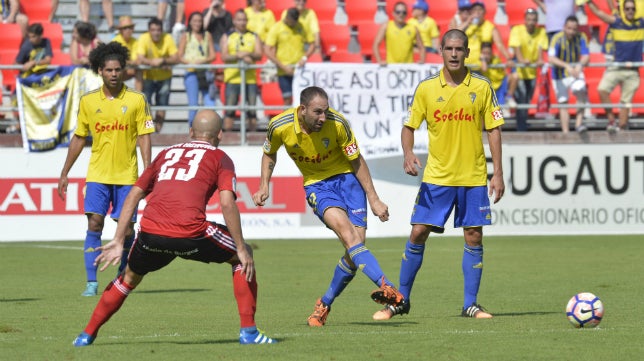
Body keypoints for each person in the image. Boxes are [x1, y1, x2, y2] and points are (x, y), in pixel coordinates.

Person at [71, 109, 276, 347]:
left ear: (191, 132)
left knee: (128, 278)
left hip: (151, 233)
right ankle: (249, 332)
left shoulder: (166, 154)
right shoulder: (221, 158)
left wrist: (118, 239)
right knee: (242, 257)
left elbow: (135, 194)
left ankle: (86, 335)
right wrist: (240, 246)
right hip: (191, 233)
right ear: (219, 134)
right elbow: (227, 202)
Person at [372, 29, 505, 321]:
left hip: (472, 177)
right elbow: (409, 127)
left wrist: (498, 174)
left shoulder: (482, 86)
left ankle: (470, 305)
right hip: (437, 177)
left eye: (460, 49)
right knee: (418, 231)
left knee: (473, 236)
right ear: (441, 51)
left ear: (467, 52)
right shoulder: (427, 88)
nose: (454, 54)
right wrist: (408, 154)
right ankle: (400, 301)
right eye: (449, 49)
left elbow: (493, 130)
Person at [252, 86, 405, 327]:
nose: (323, 117)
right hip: (318, 186)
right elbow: (269, 154)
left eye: (325, 111)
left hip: (348, 181)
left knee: (355, 250)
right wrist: (264, 186)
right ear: (302, 110)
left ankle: (323, 304)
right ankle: (387, 286)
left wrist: (374, 198)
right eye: (318, 112)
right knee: (349, 235)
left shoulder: (338, 124)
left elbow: (356, 160)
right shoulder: (279, 126)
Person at [57, 42, 154, 297]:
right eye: (109, 69)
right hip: (98, 175)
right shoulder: (88, 101)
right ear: (100, 70)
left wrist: (148, 172)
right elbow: (79, 137)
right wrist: (65, 172)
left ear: (123, 70)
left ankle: (122, 277)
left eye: (118, 69)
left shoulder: (136, 100)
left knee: (128, 229)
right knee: (95, 224)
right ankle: (91, 282)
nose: (113, 73)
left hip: (127, 176)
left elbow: (144, 136)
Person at [586, 0, 644, 132]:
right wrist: (587, 2)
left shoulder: (641, 23)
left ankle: (621, 128)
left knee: (625, 102)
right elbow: (599, 13)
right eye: (627, 9)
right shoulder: (616, 22)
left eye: (632, 9)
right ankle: (611, 120)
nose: (630, 11)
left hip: (632, 71)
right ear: (623, 10)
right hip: (616, 67)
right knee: (602, 90)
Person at [507, 7, 549, 131]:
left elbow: (541, 48)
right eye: (529, 19)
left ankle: (522, 122)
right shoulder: (517, 30)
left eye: (534, 20)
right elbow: (516, 48)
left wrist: (540, 60)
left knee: (527, 100)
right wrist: (521, 60)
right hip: (520, 70)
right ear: (525, 20)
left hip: (531, 72)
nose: (531, 22)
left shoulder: (540, 32)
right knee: (522, 98)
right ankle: (521, 127)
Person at [220, 9, 262, 131]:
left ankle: (252, 135)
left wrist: (247, 53)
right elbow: (224, 56)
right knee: (230, 109)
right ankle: (228, 136)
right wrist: (238, 55)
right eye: (239, 19)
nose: (242, 22)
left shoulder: (253, 36)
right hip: (232, 78)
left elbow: (259, 54)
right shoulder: (227, 36)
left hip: (250, 79)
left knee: (252, 109)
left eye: (244, 19)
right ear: (234, 21)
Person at [264, 8, 315, 106]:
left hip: (299, 70)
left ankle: (301, 121)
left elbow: (312, 44)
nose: (292, 24)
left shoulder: (302, 26)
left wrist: (304, 58)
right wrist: (282, 66)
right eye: (291, 21)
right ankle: (287, 121)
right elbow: (267, 50)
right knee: (287, 99)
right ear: (287, 17)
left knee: (303, 100)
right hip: (283, 71)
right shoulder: (277, 27)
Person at [136, 17, 180, 132]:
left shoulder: (168, 38)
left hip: (164, 77)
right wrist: (154, 62)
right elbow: (140, 58)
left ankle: (158, 131)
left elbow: (176, 57)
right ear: (149, 30)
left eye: (158, 30)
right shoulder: (143, 38)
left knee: (162, 105)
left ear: (162, 30)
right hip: (148, 77)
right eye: (153, 30)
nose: (156, 33)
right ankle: (149, 131)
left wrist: (163, 61)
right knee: (146, 105)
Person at [548, 15, 590, 133]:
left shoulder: (581, 37)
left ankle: (578, 124)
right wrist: (567, 66)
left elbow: (586, 56)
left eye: (574, 29)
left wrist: (580, 64)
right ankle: (565, 132)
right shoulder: (557, 38)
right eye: (569, 28)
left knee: (581, 90)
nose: (571, 31)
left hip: (575, 72)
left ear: (577, 29)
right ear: (564, 27)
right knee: (563, 102)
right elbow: (551, 58)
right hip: (559, 74)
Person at [178, 11, 217, 126]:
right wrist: (191, 63)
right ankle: (192, 129)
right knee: (193, 104)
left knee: (210, 102)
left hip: (205, 72)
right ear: (190, 22)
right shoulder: (186, 35)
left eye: (199, 21)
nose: (197, 23)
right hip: (192, 73)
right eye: (195, 21)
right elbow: (180, 56)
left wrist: (202, 61)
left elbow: (212, 55)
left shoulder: (207, 35)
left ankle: (211, 127)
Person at [452, 1, 513, 71]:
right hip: (465, 65)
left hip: (481, 68)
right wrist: (468, 21)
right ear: (471, 12)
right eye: (475, 10)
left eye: (480, 10)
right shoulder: (467, 25)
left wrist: (508, 58)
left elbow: (499, 44)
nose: (477, 12)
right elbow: (454, 34)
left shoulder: (490, 27)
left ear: (484, 12)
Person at [111, 15, 142, 91]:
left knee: (139, 71)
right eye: (125, 28)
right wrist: (130, 62)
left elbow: (137, 60)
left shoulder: (136, 41)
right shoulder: (115, 41)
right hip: (117, 71)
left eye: (130, 27)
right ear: (121, 30)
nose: (128, 30)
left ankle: (139, 99)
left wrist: (127, 62)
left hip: (126, 70)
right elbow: (116, 61)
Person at [480, 42, 509, 109]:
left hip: (500, 86)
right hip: (488, 89)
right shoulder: (480, 61)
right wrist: (483, 59)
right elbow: (484, 69)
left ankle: (508, 98)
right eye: (484, 53)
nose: (486, 55)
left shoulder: (496, 58)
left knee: (500, 110)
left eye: (488, 53)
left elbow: (504, 72)